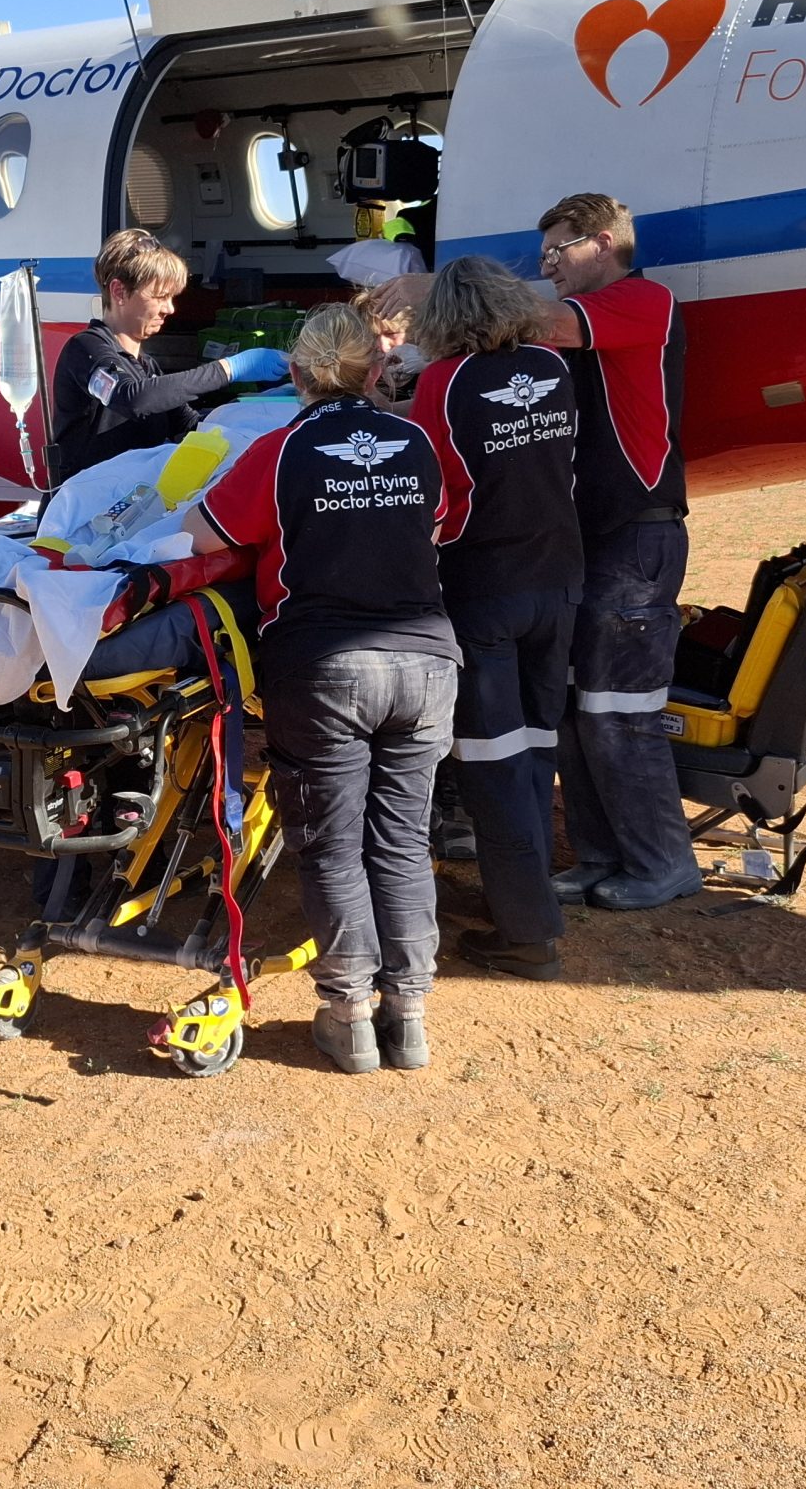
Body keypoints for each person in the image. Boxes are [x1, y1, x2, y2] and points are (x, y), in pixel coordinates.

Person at [182, 302, 458, 1073]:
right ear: (376, 372)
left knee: (334, 846)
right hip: (426, 661)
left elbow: (207, 534)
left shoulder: (282, 449)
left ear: (296, 374)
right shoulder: (415, 442)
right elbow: (430, 528)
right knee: (402, 842)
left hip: (325, 664)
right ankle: (411, 1016)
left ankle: (349, 1015)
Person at [408, 257, 582, 977]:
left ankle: (527, 932)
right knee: (538, 752)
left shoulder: (442, 383)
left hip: (485, 586)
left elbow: (431, 487)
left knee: (491, 762)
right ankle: (528, 895)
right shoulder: (551, 365)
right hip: (559, 578)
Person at [531, 192, 698, 910]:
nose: (548, 268)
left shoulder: (642, 301)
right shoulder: (587, 328)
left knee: (619, 710)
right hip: (596, 537)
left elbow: (545, 323)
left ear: (602, 243)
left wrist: (447, 293)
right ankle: (602, 855)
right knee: (578, 707)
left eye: (557, 252)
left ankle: (664, 861)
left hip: (637, 535)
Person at [48, 228, 287, 481]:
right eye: (161, 297)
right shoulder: (85, 349)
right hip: (80, 504)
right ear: (119, 292)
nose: (170, 309)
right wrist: (230, 368)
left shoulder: (147, 367)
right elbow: (133, 399)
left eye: (171, 298)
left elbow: (189, 426)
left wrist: (262, 408)